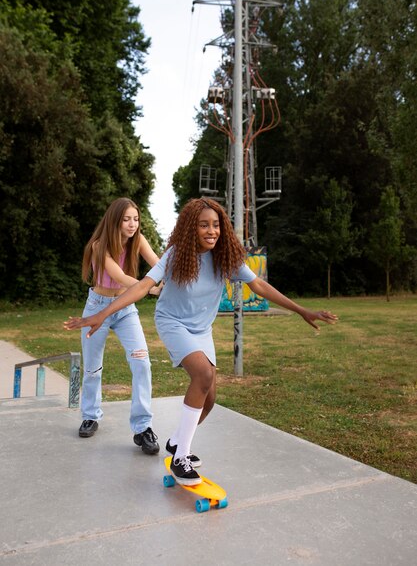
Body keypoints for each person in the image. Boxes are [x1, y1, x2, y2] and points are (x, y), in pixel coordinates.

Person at [64, 197, 337, 483]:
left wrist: (301, 309)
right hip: (172, 322)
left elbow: (258, 284)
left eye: (216, 225)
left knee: (209, 398)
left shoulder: (225, 257)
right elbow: (143, 285)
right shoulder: (176, 254)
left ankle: (176, 441)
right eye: (204, 225)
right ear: (190, 229)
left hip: (201, 329)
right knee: (203, 374)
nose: (211, 231)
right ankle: (180, 456)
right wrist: (102, 313)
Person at [74, 197, 161, 455]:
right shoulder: (99, 246)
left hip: (125, 309)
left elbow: (159, 265)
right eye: (126, 219)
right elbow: (120, 276)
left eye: (135, 218)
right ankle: (90, 415)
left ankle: (143, 427)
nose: (132, 224)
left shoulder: (138, 240)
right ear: (115, 220)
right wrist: (153, 288)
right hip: (97, 308)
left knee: (142, 363)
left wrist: (171, 280)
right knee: (92, 368)